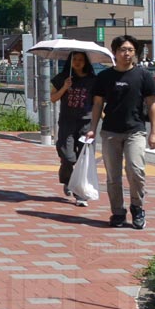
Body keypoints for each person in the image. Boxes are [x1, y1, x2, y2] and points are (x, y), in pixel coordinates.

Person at [86, 35, 155, 230]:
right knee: (113, 176)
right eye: (122, 50)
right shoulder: (105, 77)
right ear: (115, 53)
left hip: (135, 130)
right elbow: (97, 104)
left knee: (136, 170)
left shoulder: (143, 75)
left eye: (130, 50)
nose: (126, 54)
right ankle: (118, 212)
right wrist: (92, 129)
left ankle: (137, 207)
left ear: (134, 53)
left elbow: (152, 105)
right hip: (110, 132)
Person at [50, 52, 97, 206]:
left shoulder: (93, 80)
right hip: (67, 123)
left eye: (81, 60)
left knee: (85, 159)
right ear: (70, 61)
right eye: (74, 59)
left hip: (87, 124)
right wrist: (64, 87)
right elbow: (53, 98)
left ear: (86, 62)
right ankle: (68, 180)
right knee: (68, 157)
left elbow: (98, 102)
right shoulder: (61, 78)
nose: (77, 62)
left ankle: (80, 193)